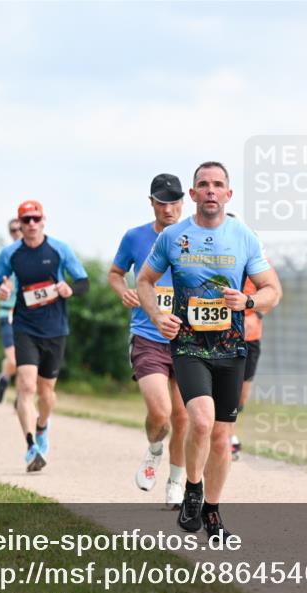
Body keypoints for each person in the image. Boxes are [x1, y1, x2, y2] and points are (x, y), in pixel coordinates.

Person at [138, 161, 282, 540]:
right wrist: (156, 317)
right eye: (204, 184)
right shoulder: (172, 237)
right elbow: (145, 281)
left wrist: (247, 303)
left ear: (228, 194)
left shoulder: (244, 237)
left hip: (231, 347)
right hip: (187, 345)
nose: (211, 190)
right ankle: (193, 489)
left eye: (218, 184)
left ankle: (213, 512)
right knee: (200, 421)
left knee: (220, 437)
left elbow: (273, 290)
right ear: (193, 194)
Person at [0, 200, 89, 472]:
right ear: (19, 225)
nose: (31, 224)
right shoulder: (10, 254)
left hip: (55, 329)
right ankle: (31, 445)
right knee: (26, 386)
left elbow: (83, 282)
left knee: (46, 393)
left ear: (43, 220)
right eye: (26, 220)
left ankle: (42, 426)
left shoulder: (59, 249)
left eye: (35, 219)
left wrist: (70, 288)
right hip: (24, 327)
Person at [109, 173, 190, 509]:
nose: (169, 208)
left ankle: (176, 481)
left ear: (182, 203)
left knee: (183, 417)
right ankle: (154, 450)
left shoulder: (195, 238)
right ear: (152, 203)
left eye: (174, 202)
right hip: (147, 336)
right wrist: (124, 290)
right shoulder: (135, 237)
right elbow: (115, 273)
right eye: (162, 202)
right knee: (161, 412)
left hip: (187, 338)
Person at [0, 219, 23, 403]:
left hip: (29, 314)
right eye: (12, 230)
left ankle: (20, 397)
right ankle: (4, 377)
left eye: (19, 228)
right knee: (15, 360)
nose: (16, 232)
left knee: (27, 359)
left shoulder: (37, 256)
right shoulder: (3, 255)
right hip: (7, 312)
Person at [229, 275, 263, 460]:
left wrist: (257, 315)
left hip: (250, 337)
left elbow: (273, 292)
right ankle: (227, 435)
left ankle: (225, 432)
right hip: (223, 334)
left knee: (241, 395)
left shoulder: (260, 259)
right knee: (225, 389)